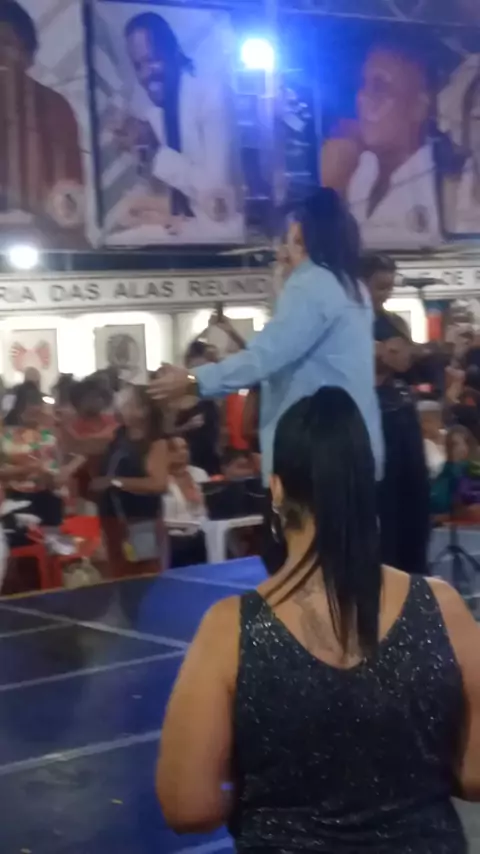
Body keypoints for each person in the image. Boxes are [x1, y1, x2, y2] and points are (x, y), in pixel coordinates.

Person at [157, 387, 480, 850]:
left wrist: (267, 805)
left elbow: (189, 805)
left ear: (276, 489)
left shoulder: (230, 629)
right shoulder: (441, 606)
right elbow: (475, 775)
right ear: (366, 484)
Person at [150, 188, 383, 490]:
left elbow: (264, 358)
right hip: (351, 447)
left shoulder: (311, 286)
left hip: (312, 453)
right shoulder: (351, 287)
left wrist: (193, 380)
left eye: (283, 239)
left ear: (300, 236)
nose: (278, 251)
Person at [114, 11, 232, 228]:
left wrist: (156, 151)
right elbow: (159, 190)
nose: (145, 74)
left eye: (152, 60)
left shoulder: (211, 96)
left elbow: (217, 198)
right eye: (138, 66)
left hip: (222, 230)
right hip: (183, 230)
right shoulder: (152, 112)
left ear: (174, 53)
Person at [321, 42, 440, 249]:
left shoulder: (441, 184)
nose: (362, 98)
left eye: (380, 88)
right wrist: (334, 187)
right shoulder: (360, 169)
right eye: (363, 85)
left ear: (419, 107)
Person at [0, 1, 84, 246]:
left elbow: (71, 202)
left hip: (41, 245)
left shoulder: (54, 108)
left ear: (28, 56)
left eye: (6, 44)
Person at [92, 385, 167, 578]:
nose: (121, 408)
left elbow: (158, 483)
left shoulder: (154, 443)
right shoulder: (119, 436)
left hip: (140, 520)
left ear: (143, 411)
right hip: (113, 521)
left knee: (143, 573)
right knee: (117, 574)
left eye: (127, 404)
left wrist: (116, 482)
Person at [0, 381, 80, 530]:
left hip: (48, 496)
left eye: (37, 402)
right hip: (13, 497)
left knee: (50, 538)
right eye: (29, 403)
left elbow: (62, 462)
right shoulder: (4, 434)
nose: (35, 408)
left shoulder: (49, 431)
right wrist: (27, 469)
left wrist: (62, 474)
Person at [175, 341, 221, 476]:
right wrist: (188, 426)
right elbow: (167, 432)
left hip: (211, 456)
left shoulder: (209, 394)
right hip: (188, 457)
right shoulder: (178, 395)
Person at [163, 436, 207, 568]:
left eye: (184, 448)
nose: (182, 453)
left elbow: (210, 508)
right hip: (173, 540)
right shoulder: (159, 482)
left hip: (202, 534)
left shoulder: (200, 474)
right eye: (174, 449)